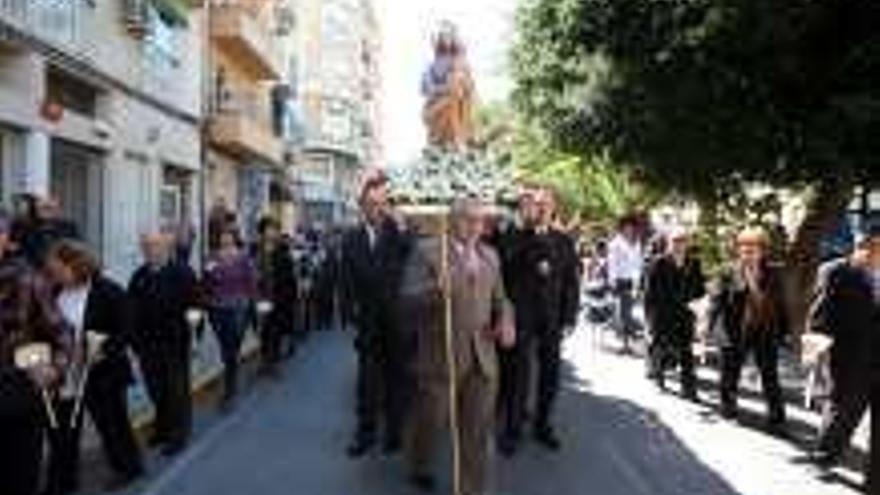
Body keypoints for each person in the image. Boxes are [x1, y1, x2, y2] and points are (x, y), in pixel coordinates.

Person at [400, 197, 514, 494]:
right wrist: (435, 290)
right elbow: (408, 300)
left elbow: (503, 300)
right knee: (432, 420)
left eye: (480, 220)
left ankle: (470, 488)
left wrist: (505, 321)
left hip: (483, 357)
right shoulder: (427, 251)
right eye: (468, 218)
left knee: (476, 432)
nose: (476, 226)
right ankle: (419, 463)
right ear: (451, 220)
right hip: (442, 355)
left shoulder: (491, 256)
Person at [44, 241, 144, 494]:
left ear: (76, 265)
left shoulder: (108, 291)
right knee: (62, 431)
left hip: (102, 373)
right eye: (53, 271)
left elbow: (128, 329)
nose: (54, 275)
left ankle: (127, 468)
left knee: (112, 425)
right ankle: (62, 483)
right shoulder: (54, 291)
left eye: (59, 269)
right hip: (64, 374)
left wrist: (104, 350)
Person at [498, 187, 580, 456]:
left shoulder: (564, 240)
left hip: (552, 319)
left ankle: (542, 425)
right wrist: (529, 235)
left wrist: (569, 316)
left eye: (546, 204)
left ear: (553, 207)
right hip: (522, 317)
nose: (542, 208)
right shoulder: (515, 235)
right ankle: (512, 429)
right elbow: (507, 267)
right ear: (530, 207)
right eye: (537, 204)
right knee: (518, 374)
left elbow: (571, 281)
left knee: (550, 374)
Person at [341, 175, 413, 457]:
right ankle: (365, 433)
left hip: (397, 321)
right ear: (362, 206)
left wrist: (401, 225)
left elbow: (412, 254)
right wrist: (350, 314)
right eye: (371, 204)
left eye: (382, 204)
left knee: (398, 378)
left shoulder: (398, 233)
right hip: (368, 322)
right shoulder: (352, 239)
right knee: (367, 381)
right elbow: (346, 280)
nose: (377, 209)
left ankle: (395, 433)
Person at [0, 214, 69, 495]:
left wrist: (53, 369)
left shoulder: (29, 279)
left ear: (6, 238)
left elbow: (64, 335)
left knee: (20, 477)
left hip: (18, 393)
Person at [808, 224, 880, 484]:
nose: (875, 254)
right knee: (842, 413)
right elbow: (819, 316)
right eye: (870, 247)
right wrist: (817, 353)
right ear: (859, 246)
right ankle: (826, 455)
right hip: (848, 358)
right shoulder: (835, 271)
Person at [709, 227, 788, 431]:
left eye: (752, 248)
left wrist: (784, 331)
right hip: (735, 330)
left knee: (770, 375)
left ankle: (777, 419)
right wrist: (708, 329)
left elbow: (781, 304)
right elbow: (717, 302)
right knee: (730, 373)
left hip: (765, 330)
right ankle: (728, 408)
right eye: (744, 248)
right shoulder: (728, 271)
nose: (748, 252)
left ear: (762, 250)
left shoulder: (773, 272)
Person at [128, 232, 199, 456]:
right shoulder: (139, 275)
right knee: (155, 390)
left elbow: (195, 305)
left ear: (168, 248)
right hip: (147, 345)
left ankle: (178, 435)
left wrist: (194, 336)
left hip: (175, 342)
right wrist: (133, 341)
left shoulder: (183, 273)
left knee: (176, 391)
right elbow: (130, 310)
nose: (150, 250)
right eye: (146, 246)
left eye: (155, 246)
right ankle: (162, 428)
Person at [644, 228, 706, 400]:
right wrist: (650, 318)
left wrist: (700, 308)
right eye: (675, 241)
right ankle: (659, 376)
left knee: (687, 351)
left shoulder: (693, 263)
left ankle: (689, 388)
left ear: (687, 244)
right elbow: (650, 293)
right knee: (661, 347)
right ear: (669, 243)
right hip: (663, 314)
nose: (679, 245)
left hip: (685, 314)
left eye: (682, 241)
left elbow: (700, 288)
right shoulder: (658, 262)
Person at [204, 229, 257, 409]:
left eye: (228, 237)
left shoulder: (243, 258)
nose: (225, 240)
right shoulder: (213, 257)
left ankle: (230, 388)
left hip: (238, 308)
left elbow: (251, 281)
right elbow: (207, 281)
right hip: (217, 308)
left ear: (234, 239)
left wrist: (251, 304)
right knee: (224, 347)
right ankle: (230, 381)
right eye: (222, 237)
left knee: (232, 347)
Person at [253, 216, 297, 376]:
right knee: (263, 331)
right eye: (268, 229)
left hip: (278, 298)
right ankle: (264, 362)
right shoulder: (257, 250)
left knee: (276, 331)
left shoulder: (283, 251)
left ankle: (273, 364)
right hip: (262, 298)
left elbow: (290, 278)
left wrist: (290, 299)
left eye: (274, 230)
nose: (271, 233)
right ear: (263, 232)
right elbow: (253, 272)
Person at [607, 215, 645, 353]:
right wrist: (612, 281)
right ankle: (624, 342)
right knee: (624, 313)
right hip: (620, 280)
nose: (629, 229)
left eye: (631, 227)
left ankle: (627, 341)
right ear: (622, 228)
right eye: (626, 227)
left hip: (632, 280)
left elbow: (639, 263)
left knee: (629, 312)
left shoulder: (637, 243)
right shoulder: (615, 243)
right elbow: (612, 264)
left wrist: (639, 281)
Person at [13, 195, 80, 267]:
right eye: (43, 208)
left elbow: (77, 249)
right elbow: (21, 250)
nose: (47, 212)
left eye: (49, 208)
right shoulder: (27, 228)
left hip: (63, 267)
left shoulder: (68, 227)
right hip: (35, 269)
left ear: (59, 209)